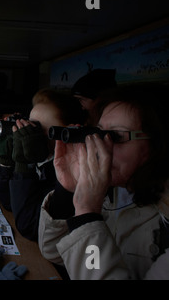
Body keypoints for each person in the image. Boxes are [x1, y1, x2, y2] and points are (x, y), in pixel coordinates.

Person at [38, 83, 169, 279]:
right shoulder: (114, 193)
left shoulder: (163, 221)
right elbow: (54, 252)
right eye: (98, 132)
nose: (101, 147)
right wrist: (67, 190)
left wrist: (87, 215)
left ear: (157, 144)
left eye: (116, 136)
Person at [0, 88, 87, 242]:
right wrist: (6, 163)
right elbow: (9, 202)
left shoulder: (70, 174)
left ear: (68, 132)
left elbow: (31, 227)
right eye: (30, 126)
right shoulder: (43, 161)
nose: (29, 135)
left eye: (39, 130)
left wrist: (25, 164)